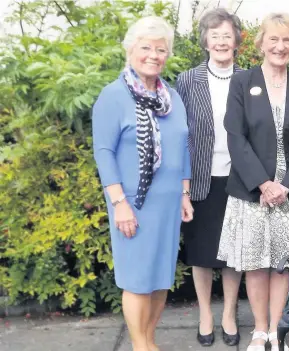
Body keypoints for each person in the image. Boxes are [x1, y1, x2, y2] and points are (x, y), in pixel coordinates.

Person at [216, 12, 289, 351]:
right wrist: (263, 183)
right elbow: (235, 135)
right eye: (273, 39)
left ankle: (277, 329)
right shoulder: (242, 83)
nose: (280, 46)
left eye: (286, 39)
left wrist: (285, 185)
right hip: (252, 193)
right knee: (256, 264)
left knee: (283, 265)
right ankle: (259, 330)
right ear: (260, 43)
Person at [92, 16, 193, 351]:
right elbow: (104, 153)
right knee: (137, 281)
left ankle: (149, 340)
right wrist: (119, 203)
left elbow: (183, 146)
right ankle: (140, 346)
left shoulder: (172, 97)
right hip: (132, 203)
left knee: (160, 278)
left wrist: (184, 193)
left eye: (161, 49)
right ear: (130, 50)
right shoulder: (114, 96)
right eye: (146, 47)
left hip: (167, 205)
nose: (154, 54)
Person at [175, 8, 242, 347]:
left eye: (226, 35)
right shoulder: (187, 80)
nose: (220, 41)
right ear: (205, 40)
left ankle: (229, 313)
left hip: (238, 180)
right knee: (201, 254)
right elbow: (178, 135)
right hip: (199, 180)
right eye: (214, 35)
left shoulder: (249, 79)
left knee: (233, 254)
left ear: (236, 41)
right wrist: (181, 187)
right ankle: (205, 314)